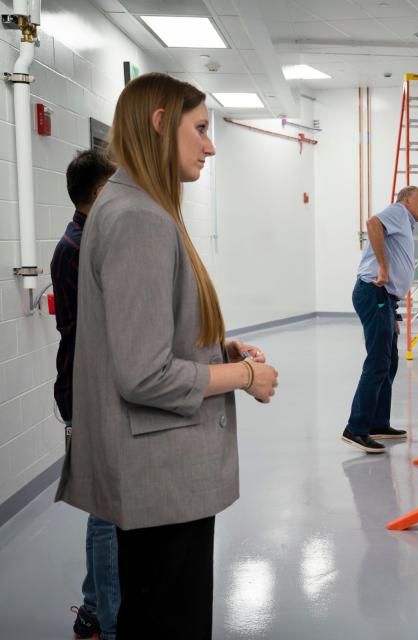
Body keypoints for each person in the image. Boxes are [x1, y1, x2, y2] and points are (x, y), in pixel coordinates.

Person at [54, 72, 278, 639]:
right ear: (160, 124)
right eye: (199, 128)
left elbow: (138, 336)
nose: (209, 144)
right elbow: (144, 374)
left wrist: (216, 348)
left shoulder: (133, 206)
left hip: (156, 480)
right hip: (162, 479)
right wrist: (244, 374)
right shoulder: (139, 219)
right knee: (168, 620)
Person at [52, 150, 118, 640]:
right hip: (86, 389)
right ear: (98, 193)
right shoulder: (77, 248)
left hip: (91, 386)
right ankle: (107, 620)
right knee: (107, 507)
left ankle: (96, 607)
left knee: (107, 505)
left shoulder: (86, 240)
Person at [342, 186, 418, 454]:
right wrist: (382, 266)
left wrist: (395, 312)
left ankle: (378, 423)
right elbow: (372, 223)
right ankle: (356, 428)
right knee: (378, 362)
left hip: (385, 298)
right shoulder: (398, 211)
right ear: (407, 199)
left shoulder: (405, 221)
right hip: (373, 291)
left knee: (389, 362)